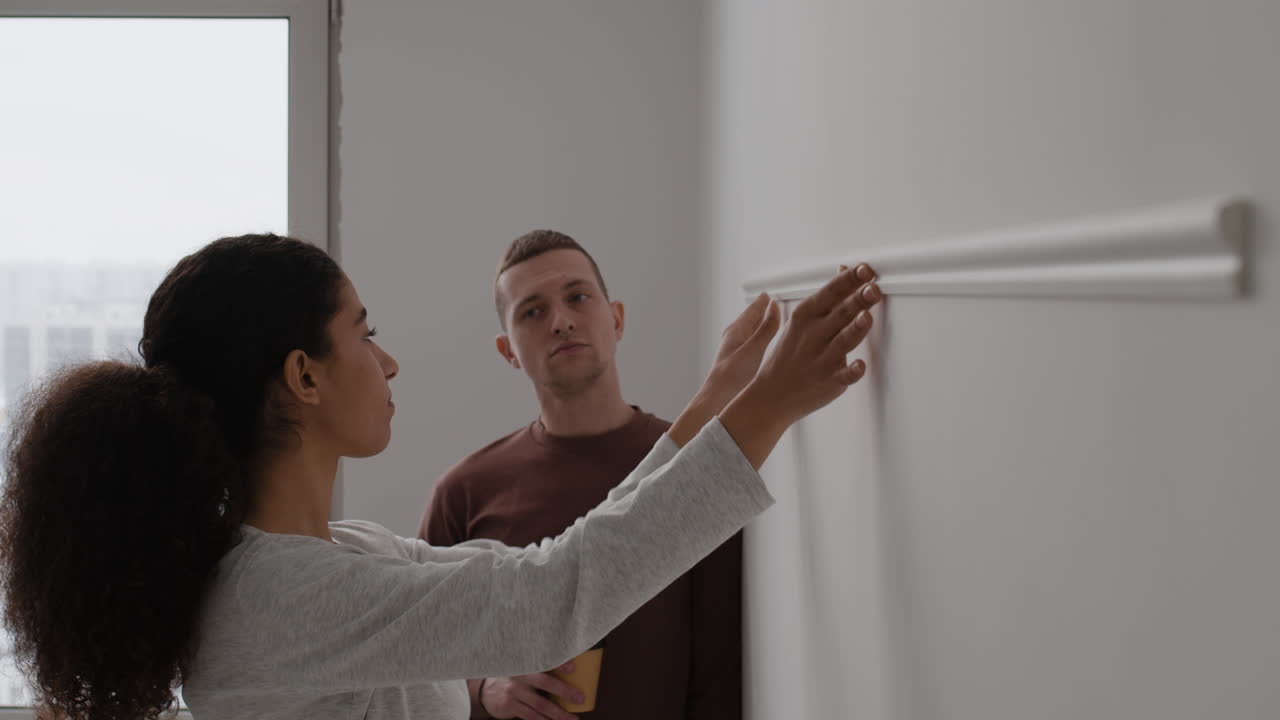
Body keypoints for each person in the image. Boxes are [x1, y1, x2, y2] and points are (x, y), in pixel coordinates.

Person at [0, 233, 882, 720]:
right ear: (303, 377)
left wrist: (720, 406)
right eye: (363, 332)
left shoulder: (337, 554)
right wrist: (770, 407)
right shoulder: (279, 594)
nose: (387, 363)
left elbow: (557, 561)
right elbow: (554, 598)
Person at [419, 230, 741, 720]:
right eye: (533, 311)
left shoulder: (693, 464)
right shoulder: (463, 493)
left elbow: (724, 666)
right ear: (508, 351)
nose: (562, 321)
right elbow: (415, 663)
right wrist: (484, 689)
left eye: (577, 297)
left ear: (616, 320)